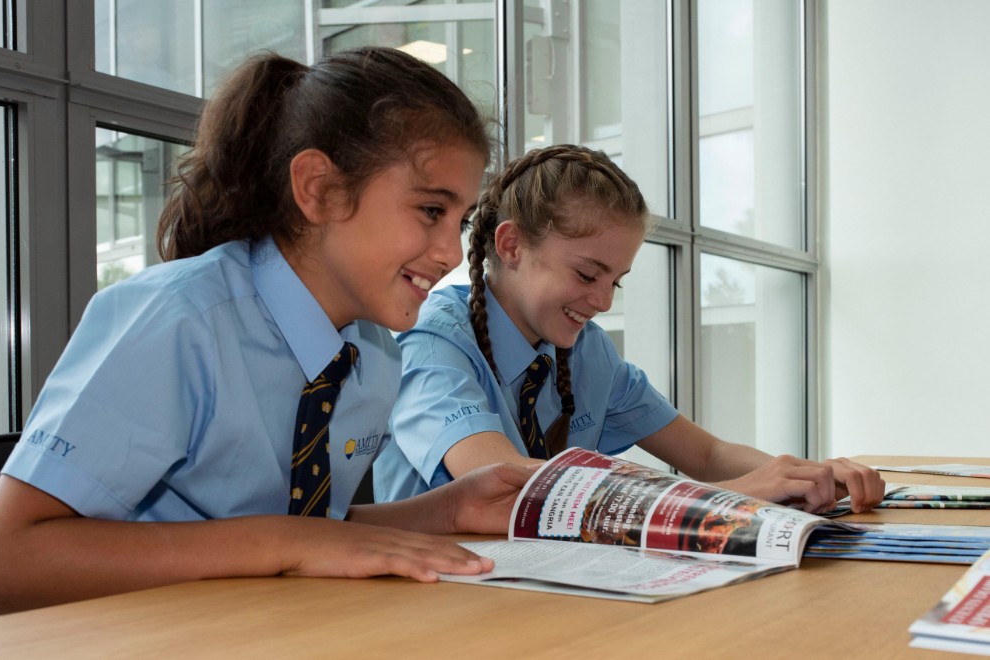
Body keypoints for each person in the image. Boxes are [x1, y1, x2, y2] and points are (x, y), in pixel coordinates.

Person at [0, 47, 535, 615]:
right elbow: (0, 564)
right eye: (432, 211)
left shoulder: (374, 356)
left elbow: (311, 532)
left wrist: (446, 511)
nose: (449, 253)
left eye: (460, 221)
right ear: (319, 188)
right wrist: (286, 541)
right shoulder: (178, 321)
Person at [373, 144, 884, 515]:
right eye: (587, 274)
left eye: (617, 281)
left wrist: (802, 474)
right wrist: (729, 497)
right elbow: (505, 483)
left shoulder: (587, 351)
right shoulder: (433, 343)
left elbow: (706, 454)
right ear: (510, 247)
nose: (602, 301)